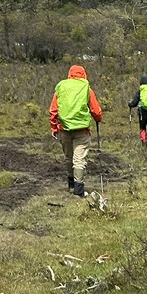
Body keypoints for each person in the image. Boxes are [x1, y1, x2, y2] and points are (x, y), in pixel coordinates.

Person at [48, 64, 102, 197]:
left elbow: (53, 110)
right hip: (82, 130)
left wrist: (54, 127)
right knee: (79, 159)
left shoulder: (61, 88)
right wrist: (98, 118)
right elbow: (96, 110)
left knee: (69, 157)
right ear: (84, 74)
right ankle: (79, 190)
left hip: (64, 129)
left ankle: (71, 185)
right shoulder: (86, 88)